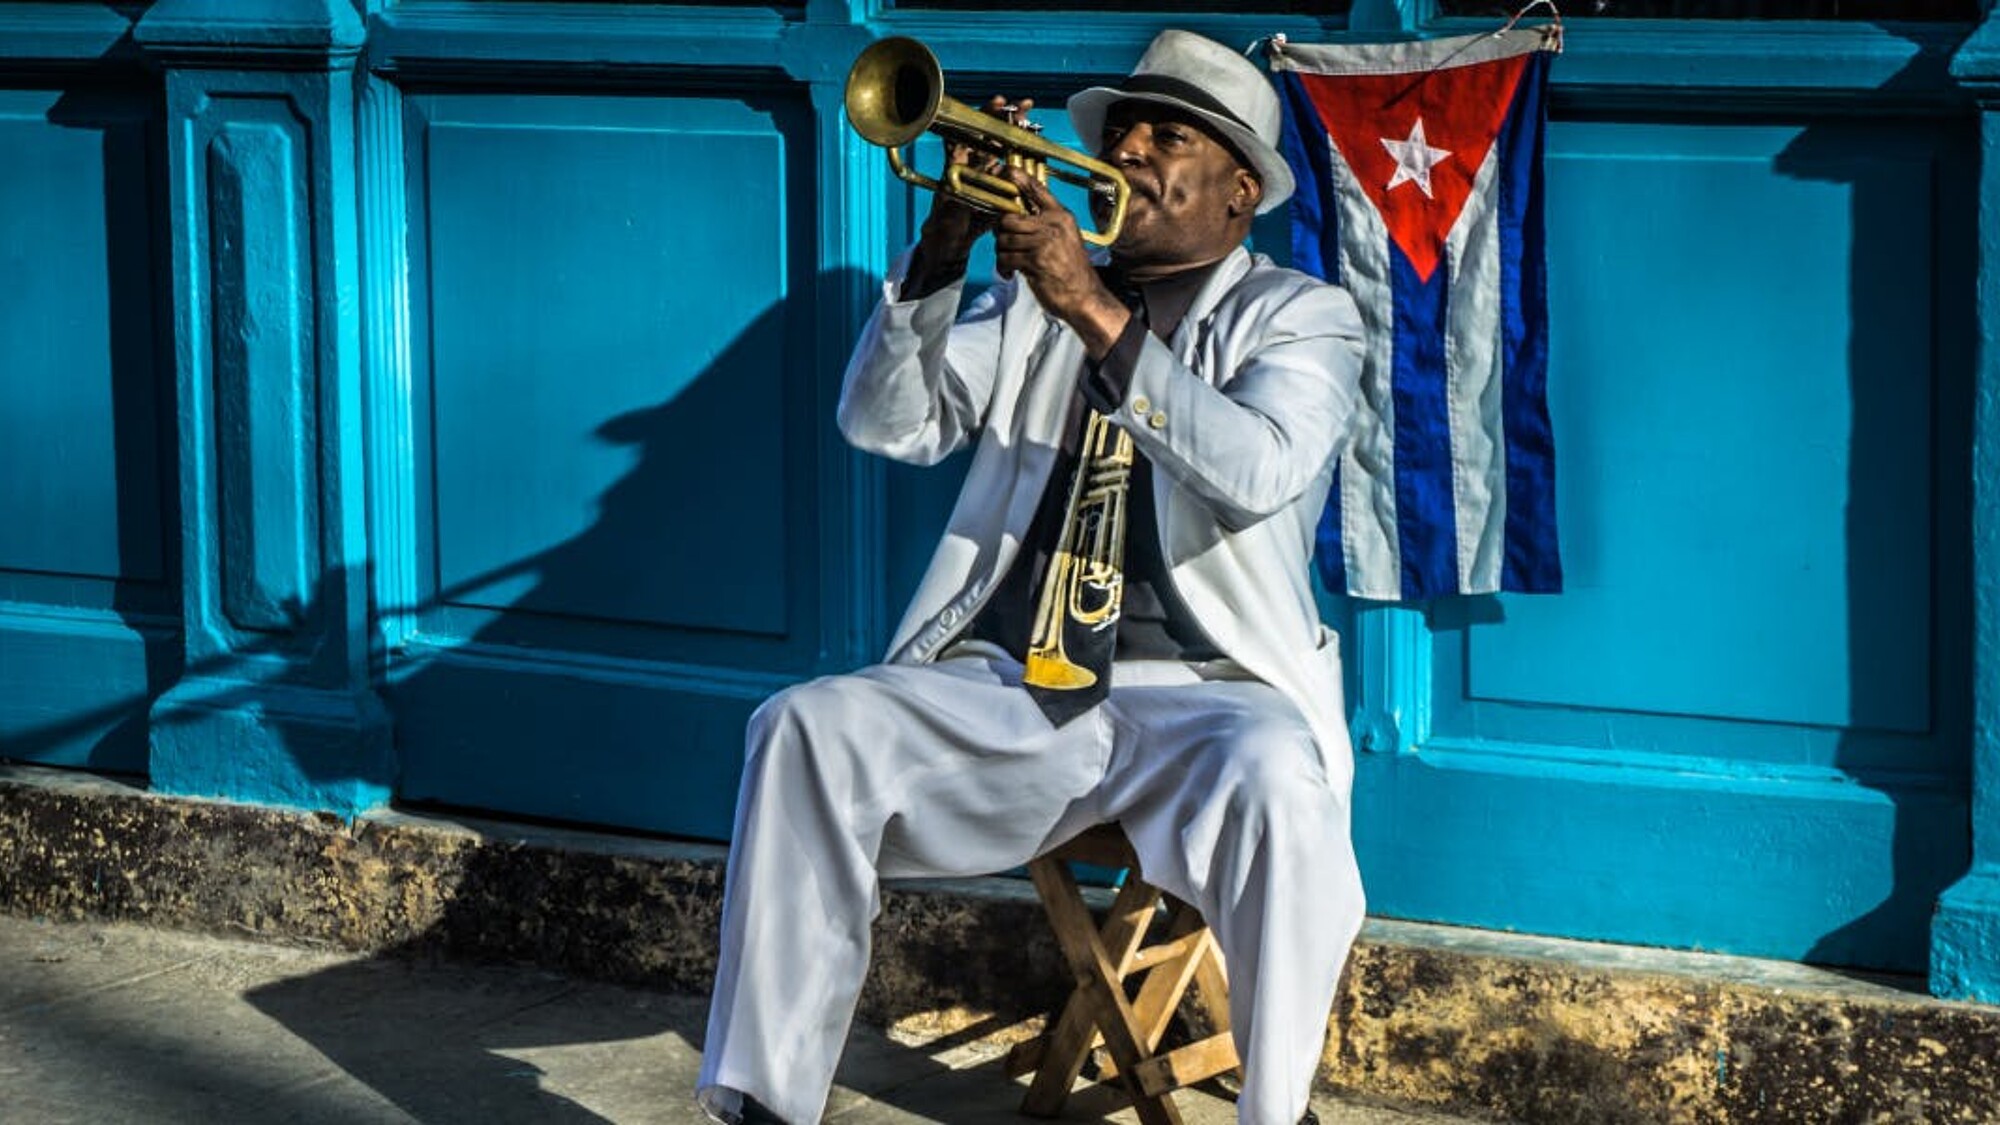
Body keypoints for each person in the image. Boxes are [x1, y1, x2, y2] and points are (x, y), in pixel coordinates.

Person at [698, 29, 1367, 1125]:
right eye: (1119, 132)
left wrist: (1090, 313)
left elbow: (1256, 469)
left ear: (1239, 188)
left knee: (1280, 785)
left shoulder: (1297, 313)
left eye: (1166, 134)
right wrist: (939, 252)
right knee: (800, 726)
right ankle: (768, 1107)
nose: (1129, 149)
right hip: (1012, 685)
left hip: (1206, 698)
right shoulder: (1025, 307)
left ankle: (1275, 1112)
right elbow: (884, 425)